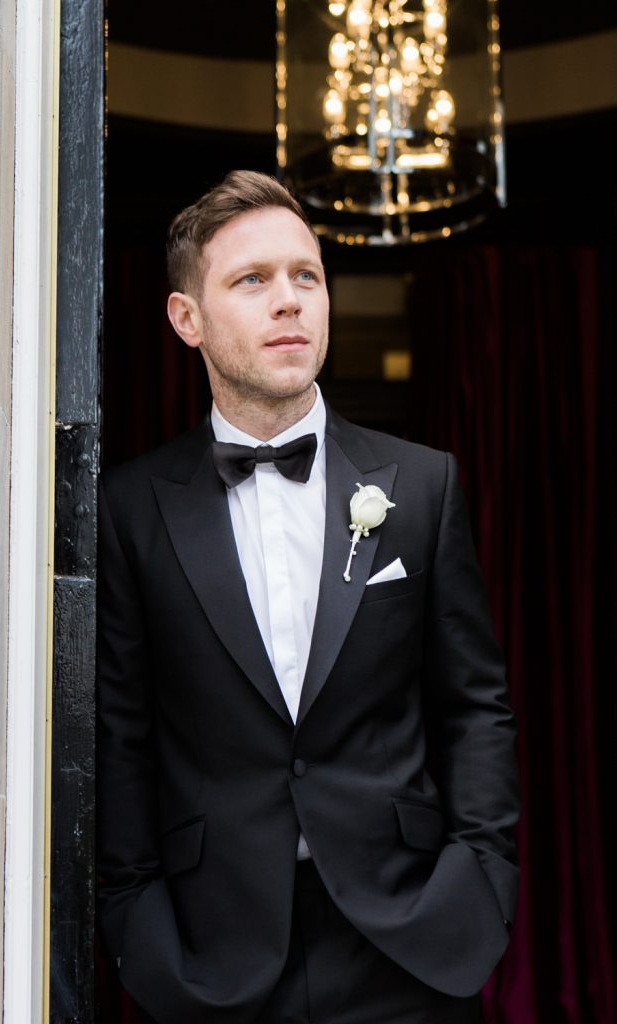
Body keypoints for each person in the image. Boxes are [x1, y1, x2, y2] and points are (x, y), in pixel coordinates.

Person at [96, 170, 520, 1024]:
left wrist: (479, 871)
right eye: (251, 280)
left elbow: (473, 704)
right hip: (211, 958)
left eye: (305, 276)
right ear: (188, 319)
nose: (288, 300)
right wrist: (138, 924)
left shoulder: (421, 484)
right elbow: (119, 735)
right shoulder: (130, 507)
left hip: (407, 944)